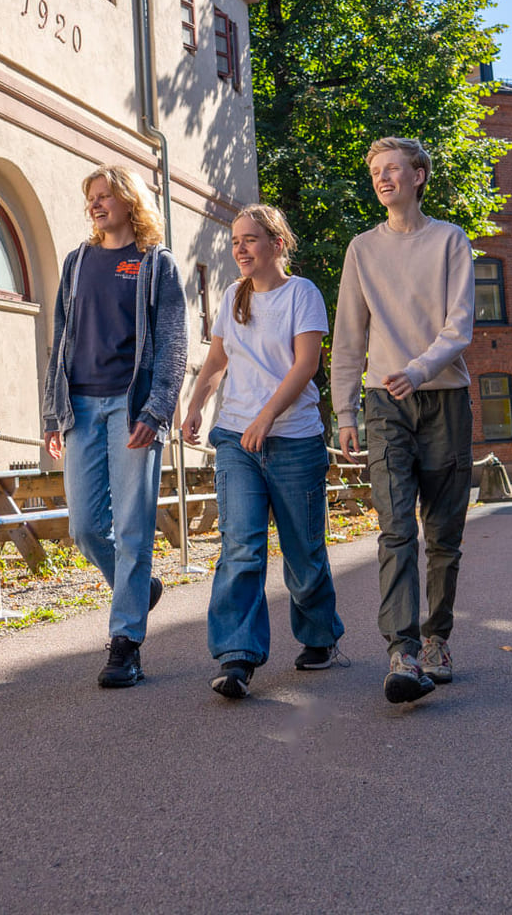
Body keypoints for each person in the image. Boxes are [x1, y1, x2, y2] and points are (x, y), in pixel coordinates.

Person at [181, 205, 345, 700]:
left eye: (250, 239)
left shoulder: (303, 294)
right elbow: (216, 359)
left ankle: (318, 636)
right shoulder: (233, 296)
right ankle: (236, 656)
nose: (240, 249)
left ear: (277, 243)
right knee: (241, 546)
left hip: (294, 439)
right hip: (236, 440)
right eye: (235, 241)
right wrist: (195, 406)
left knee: (304, 551)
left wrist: (268, 416)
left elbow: (305, 365)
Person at [333, 136, 476, 705]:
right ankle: (402, 650)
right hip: (383, 403)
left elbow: (459, 326)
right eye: (375, 172)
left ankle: (437, 638)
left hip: (444, 398)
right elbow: (348, 337)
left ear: (419, 176)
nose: (383, 178)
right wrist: (345, 410)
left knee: (443, 533)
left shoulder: (450, 241)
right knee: (396, 528)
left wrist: (417, 372)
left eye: (393, 169)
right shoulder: (361, 250)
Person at [42, 165, 189, 688]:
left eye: (106, 196)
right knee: (85, 525)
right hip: (80, 407)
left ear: (129, 202)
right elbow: (60, 338)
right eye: (92, 199)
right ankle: (138, 586)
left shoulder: (155, 263)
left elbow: (173, 341)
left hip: (131, 411)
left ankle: (125, 643)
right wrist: (51, 413)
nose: (97, 205)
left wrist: (157, 410)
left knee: (131, 526)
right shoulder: (78, 262)